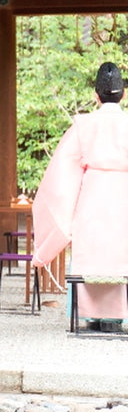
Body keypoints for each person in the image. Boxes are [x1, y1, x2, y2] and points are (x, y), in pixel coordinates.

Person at [32, 61, 128, 330]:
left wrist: (60, 215)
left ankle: (91, 314)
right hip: (124, 199)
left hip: (92, 198)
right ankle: (118, 315)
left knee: (93, 252)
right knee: (122, 252)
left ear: (96, 95)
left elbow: (60, 178)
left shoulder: (83, 126)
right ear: (124, 95)